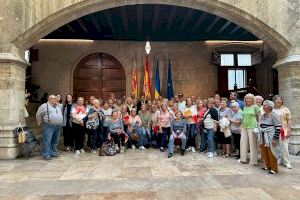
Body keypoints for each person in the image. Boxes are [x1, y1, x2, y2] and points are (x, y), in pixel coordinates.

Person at [36, 95, 63, 160]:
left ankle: (53, 153)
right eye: (52, 98)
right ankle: (46, 154)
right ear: (49, 99)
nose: (54, 99)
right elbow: (38, 114)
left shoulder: (57, 106)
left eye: (55, 98)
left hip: (58, 126)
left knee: (55, 141)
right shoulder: (44, 106)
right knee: (47, 141)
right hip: (49, 126)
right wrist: (39, 121)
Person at [259, 100, 281, 174]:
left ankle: (274, 169)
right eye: (263, 105)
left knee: (272, 151)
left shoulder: (274, 115)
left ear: (270, 107)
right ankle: (268, 166)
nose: (263, 106)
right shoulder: (262, 115)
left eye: (265, 105)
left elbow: (278, 127)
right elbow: (261, 125)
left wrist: (275, 138)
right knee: (264, 151)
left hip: (271, 135)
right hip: (263, 134)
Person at [240, 93, 260, 165]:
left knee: (253, 144)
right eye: (247, 98)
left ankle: (253, 161)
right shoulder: (244, 107)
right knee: (243, 143)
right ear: (245, 99)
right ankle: (243, 159)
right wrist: (241, 126)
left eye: (250, 98)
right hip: (244, 127)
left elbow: (259, 117)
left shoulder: (255, 107)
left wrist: (258, 125)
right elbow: (243, 118)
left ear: (252, 99)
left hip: (252, 127)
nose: (248, 99)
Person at [273, 95, 293, 169]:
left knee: (284, 146)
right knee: (276, 146)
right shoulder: (272, 109)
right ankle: (279, 159)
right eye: (277, 99)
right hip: (274, 130)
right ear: (274, 101)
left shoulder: (285, 109)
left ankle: (287, 162)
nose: (278, 101)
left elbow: (289, 119)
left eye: (280, 99)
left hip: (283, 129)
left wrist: (288, 130)